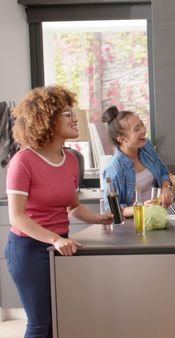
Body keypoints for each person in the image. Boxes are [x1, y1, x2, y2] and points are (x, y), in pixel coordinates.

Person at [5, 85, 112, 337]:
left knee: (60, 322)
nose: (75, 119)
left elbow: (73, 207)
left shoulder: (72, 159)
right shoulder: (23, 161)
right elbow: (17, 217)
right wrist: (54, 238)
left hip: (61, 247)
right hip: (28, 249)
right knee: (40, 325)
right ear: (47, 120)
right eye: (67, 113)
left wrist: (101, 218)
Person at [101, 106, 174, 217]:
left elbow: (163, 171)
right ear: (121, 139)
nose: (144, 131)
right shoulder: (115, 169)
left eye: (142, 125)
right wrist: (141, 208)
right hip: (133, 224)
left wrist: (166, 188)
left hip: (156, 217)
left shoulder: (146, 146)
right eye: (136, 129)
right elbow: (111, 211)